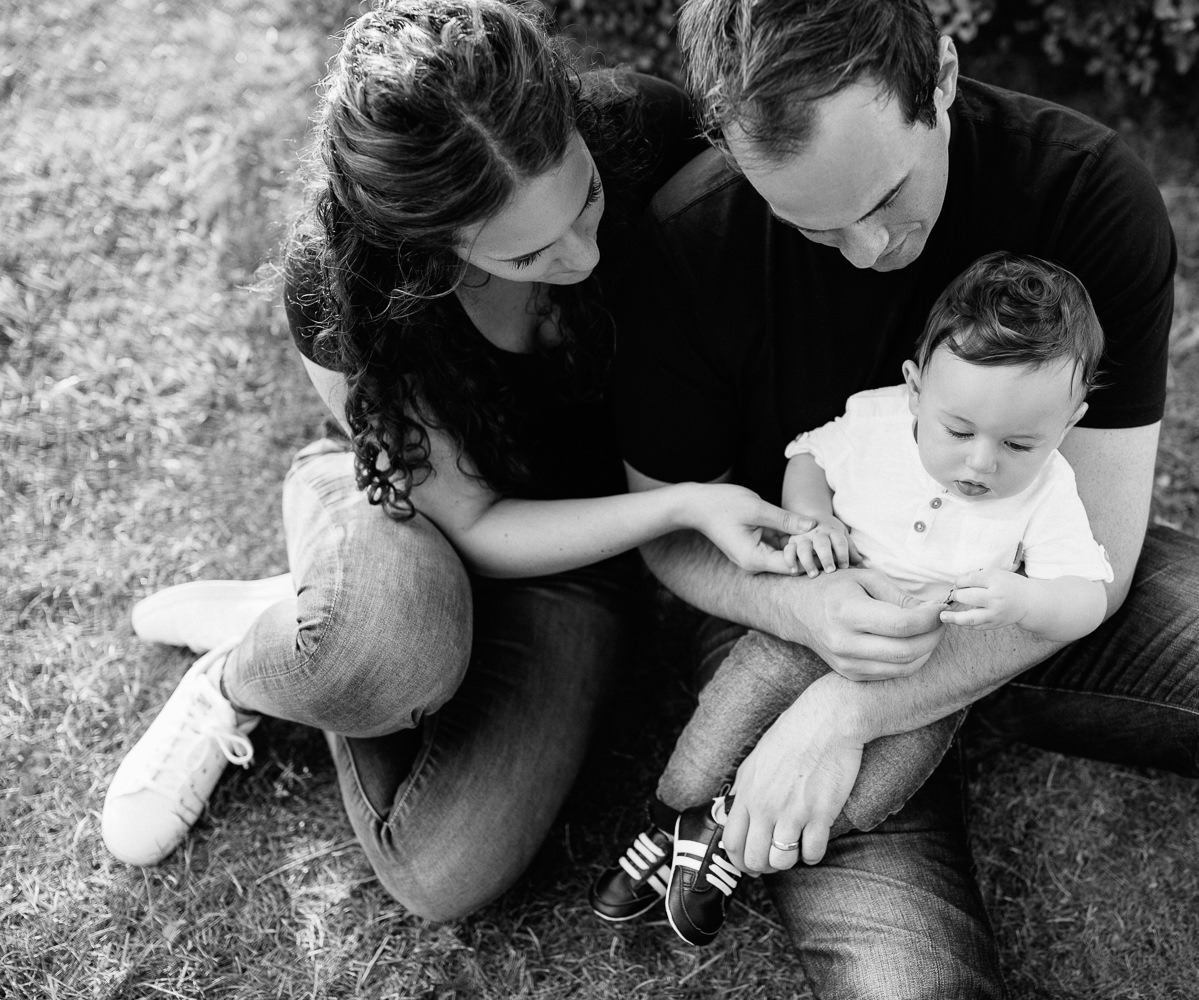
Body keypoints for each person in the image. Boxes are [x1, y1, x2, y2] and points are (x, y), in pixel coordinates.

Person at [607, 0, 1199, 996]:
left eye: (885, 197)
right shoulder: (690, 240)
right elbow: (672, 528)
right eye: (809, 225)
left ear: (945, 77)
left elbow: (1097, 546)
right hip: (810, 606)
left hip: (1034, 595)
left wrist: (852, 707)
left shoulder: (1087, 192)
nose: (870, 249)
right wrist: (809, 616)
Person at [99, 0, 812, 922]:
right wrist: (677, 510)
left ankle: (309, 619)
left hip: (584, 560)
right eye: (527, 251)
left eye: (586, 198)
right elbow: (469, 524)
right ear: (429, 245)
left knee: (443, 871)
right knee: (385, 649)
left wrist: (685, 499)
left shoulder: (645, 123)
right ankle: (245, 669)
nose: (584, 252)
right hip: (429, 514)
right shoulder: (346, 287)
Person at [592, 251, 1117, 948]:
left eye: (1020, 443)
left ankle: (717, 837)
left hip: (919, 678)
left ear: (1069, 421)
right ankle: (669, 820)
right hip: (811, 624)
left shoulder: (1048, 493)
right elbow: (807, 456)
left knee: (872, 794)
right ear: (915, 390)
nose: (981, 464)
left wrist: (1024, 597)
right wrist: (817, 522)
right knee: (725, 715)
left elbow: (1087, 598)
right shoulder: (875, 422)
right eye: (957, 431)